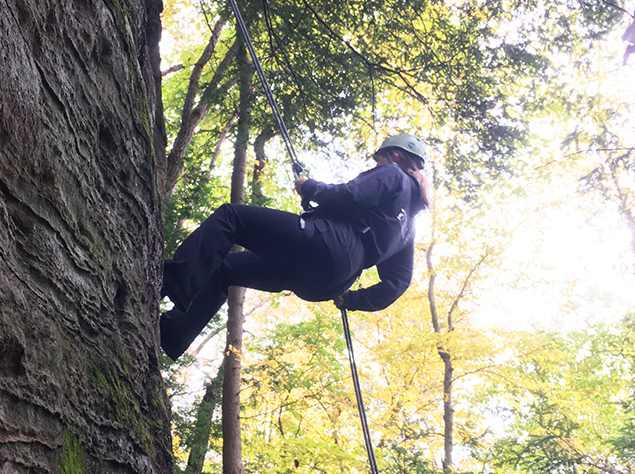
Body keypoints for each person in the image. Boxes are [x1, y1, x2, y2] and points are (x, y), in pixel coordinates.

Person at [159, 133, 432, 360]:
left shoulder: (393, 175)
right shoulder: (408, 229)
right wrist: (353, 299)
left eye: (379, 160)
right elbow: (398, 282)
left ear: (395, 156)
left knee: (232, 218)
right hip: (330, 280)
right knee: (226, 270)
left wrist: (311, 188)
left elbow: (350, 196)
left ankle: (174, 280)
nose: (377, 166)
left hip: (327, 243)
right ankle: (172, 334)